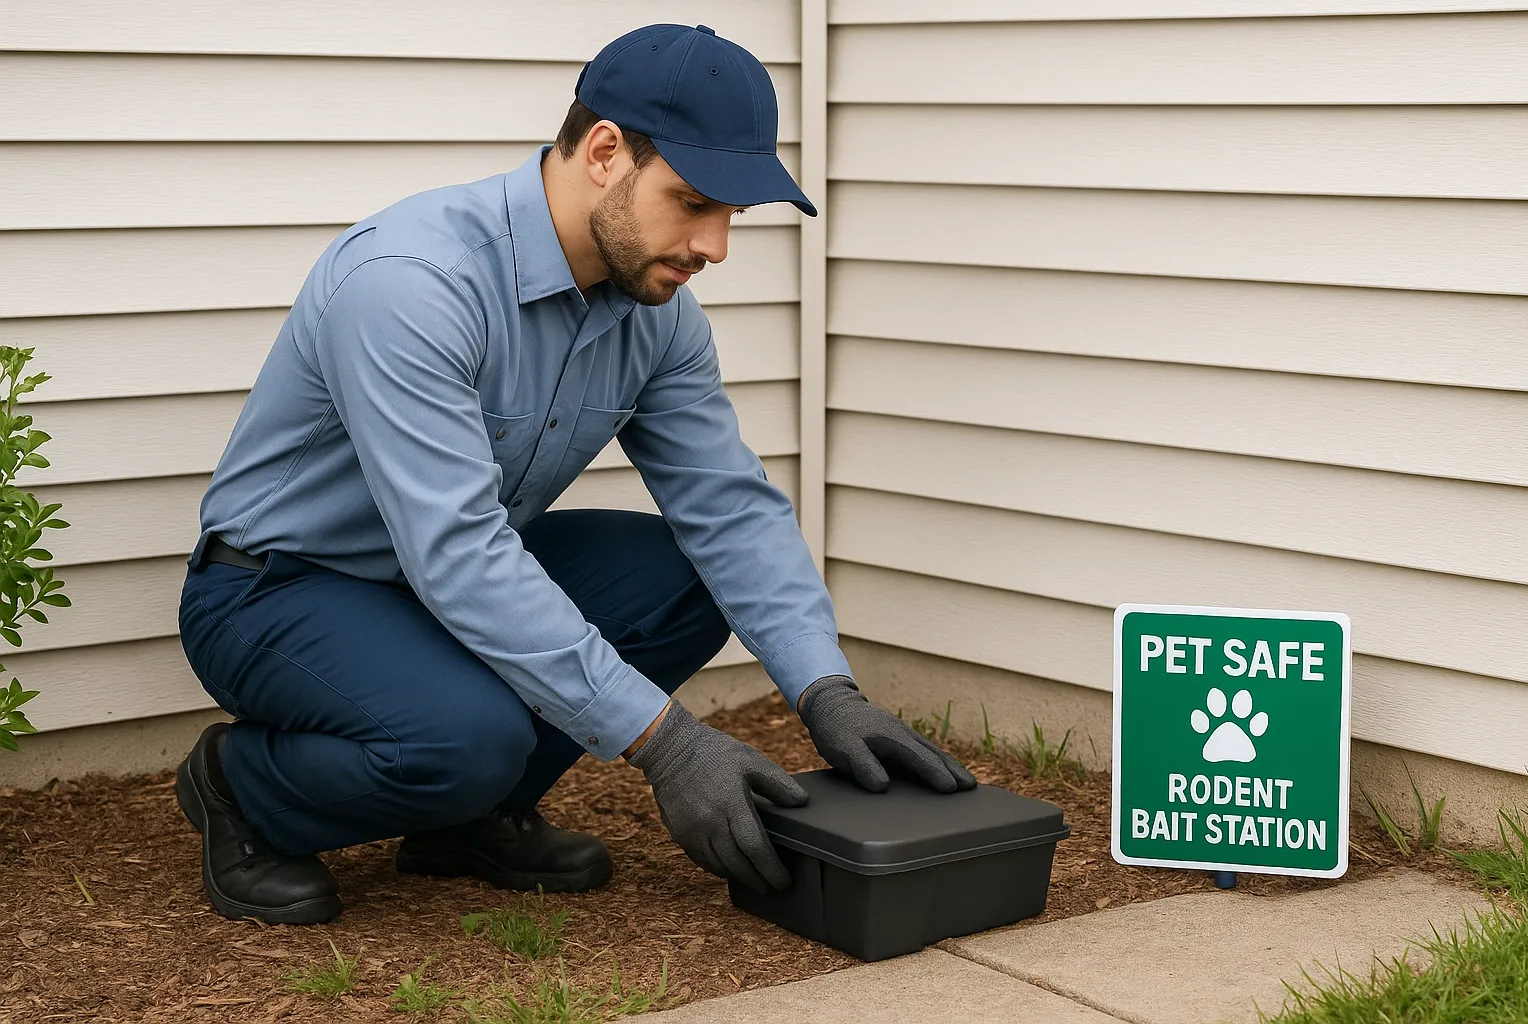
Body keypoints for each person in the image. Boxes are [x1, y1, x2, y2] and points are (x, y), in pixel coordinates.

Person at [174, 22, 975, 926]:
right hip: (279, 589)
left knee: (685, 580)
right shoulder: (414, 281)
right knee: (463, 736)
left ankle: (464, 823)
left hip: (438, 583)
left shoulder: (658, 313)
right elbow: (460, 553)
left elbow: (730, 510)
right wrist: (666, 744)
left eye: (732, 217)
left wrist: (825, 689)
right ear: (604, 152)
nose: (715, 246)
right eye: (694, 202)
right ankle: (243, 789)